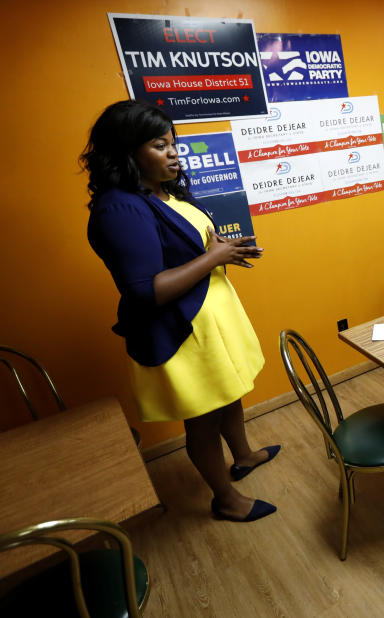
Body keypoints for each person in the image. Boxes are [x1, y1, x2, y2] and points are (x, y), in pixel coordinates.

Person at [83, 100, 278, 522]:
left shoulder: (160, 191)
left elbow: (187, 254)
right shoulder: (119, 208)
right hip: (180, 333)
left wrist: (225, 253)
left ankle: (243, 454)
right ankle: (225, 499)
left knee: (228, 394)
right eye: (159, 145)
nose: (174, 153)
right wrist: (214, 258)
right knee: (203, 421)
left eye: (173, 143)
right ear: (125, 151)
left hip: (209, 320)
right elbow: (145, 291)